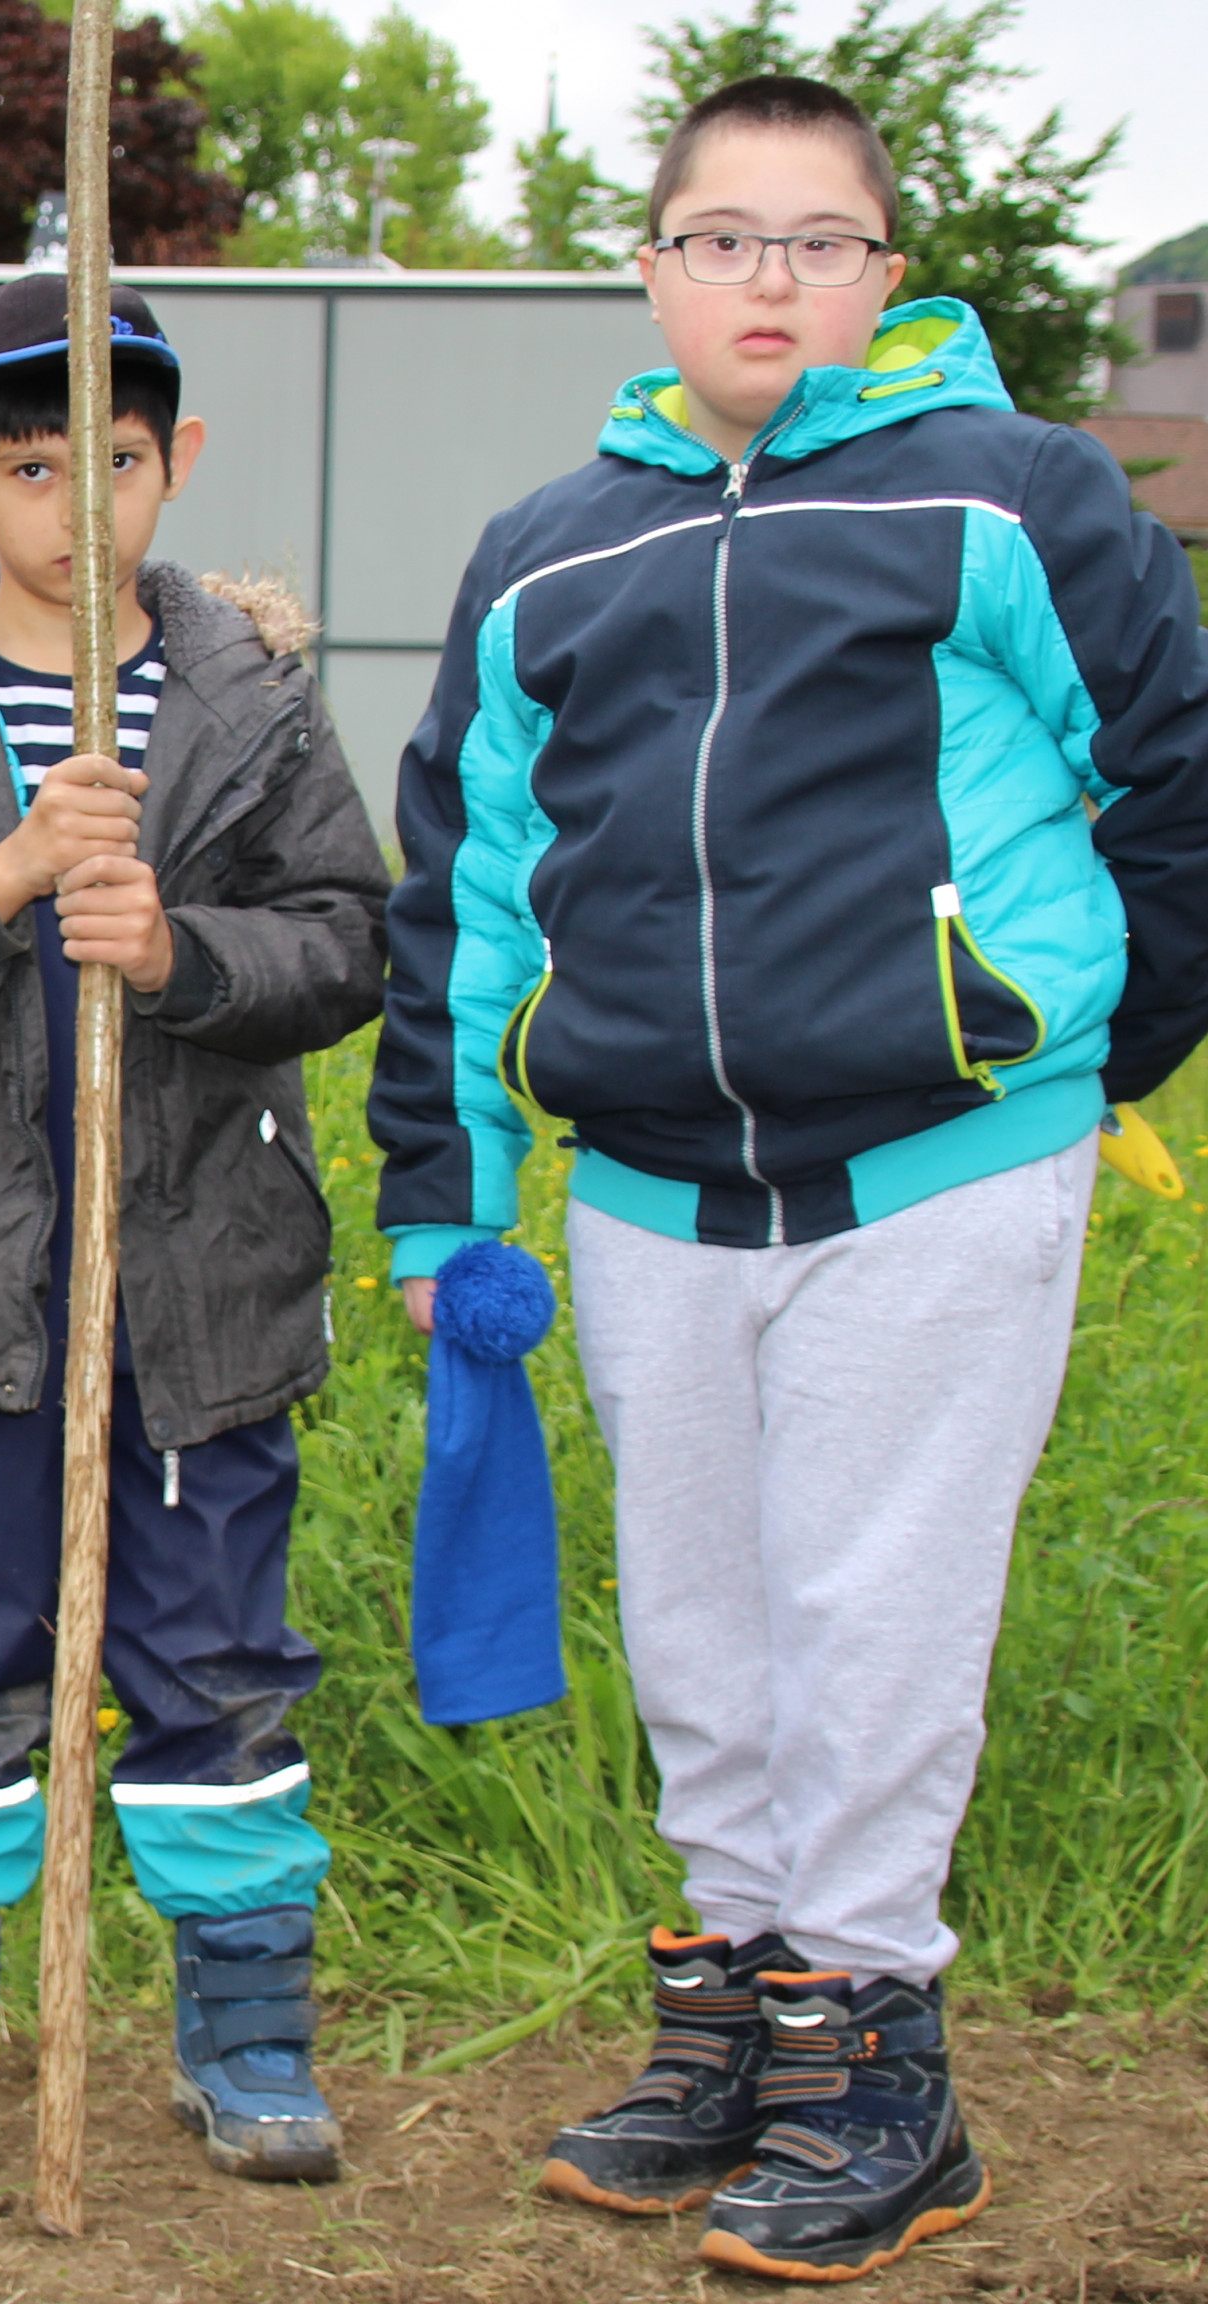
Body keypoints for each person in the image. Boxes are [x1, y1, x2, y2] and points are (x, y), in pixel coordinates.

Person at [370, 75, 1208, 2284]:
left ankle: (882, 2065)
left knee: (878, 1613)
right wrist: (447, 1199)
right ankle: (736, 2016)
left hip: (938, 1165)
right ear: (651, 272)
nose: (771, 279)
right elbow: (459, 891)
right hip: (648, 1185)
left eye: (821, 241)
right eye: (724, 238)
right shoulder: (551, 546)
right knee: (708, 1635)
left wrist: (1087, 1055)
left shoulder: (1011, 497)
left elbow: (1178, 779)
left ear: (888, 276)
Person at [0, 272, 389, 2184]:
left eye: (117, 461)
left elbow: (352, 938)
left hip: (201, 1292)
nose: (83, 506)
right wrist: (7, 882)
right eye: (36, 469)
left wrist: (184, 957)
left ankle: (248, 2033)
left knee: (214, 1660)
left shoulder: (250, 695)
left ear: (174, 461)